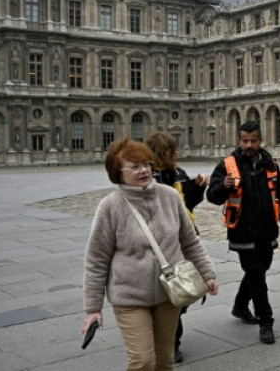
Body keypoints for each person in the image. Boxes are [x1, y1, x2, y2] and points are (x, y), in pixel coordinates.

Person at [82, 138, 218, 371]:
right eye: (134, 166)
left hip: (169, 293)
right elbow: (96, 259)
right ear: (117, 173)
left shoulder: (170, 197)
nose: (144, 170)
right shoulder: (110, 206)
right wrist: (93, 308)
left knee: (165, 360)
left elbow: (189, 241)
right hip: (130, 297)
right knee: (143, 361)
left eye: (146, 164)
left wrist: (207, 273)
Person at [206, 120, 280, 345]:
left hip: (267, 230)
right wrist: (223, 187)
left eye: (253, 141)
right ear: (239, 140)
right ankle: (266, 321)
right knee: (257, 275)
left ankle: (239, 306)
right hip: (242, 232)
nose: (248, 145)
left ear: (260, 141)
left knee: (261, 269)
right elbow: (212, 197)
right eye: (244, 141)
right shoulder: (228, 165)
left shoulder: (271, 164)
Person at [145, 131, 208, 364]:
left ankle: (169, 335)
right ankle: (172, 342)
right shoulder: (149, 177)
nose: (177, 153)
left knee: (181, 293)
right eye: (173, 151)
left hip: (183, 237)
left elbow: (188, 202)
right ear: (162, 155)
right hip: (159, 243)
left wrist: (198, 186)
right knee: (167, 294)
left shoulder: (179, 173)